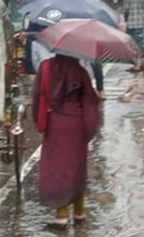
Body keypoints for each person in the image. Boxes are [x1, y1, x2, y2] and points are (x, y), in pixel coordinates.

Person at [33, 55, 100, 229]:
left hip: (56, 124)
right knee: (77, 167)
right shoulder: (81, 72)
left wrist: (38, 120)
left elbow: (36, 96)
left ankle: (61, 215)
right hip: (78, 124)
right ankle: (79, 212)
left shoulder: (45, 67)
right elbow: (91, 103)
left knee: (58, 169)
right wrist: (90, 130)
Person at [123, 0, 144, 72]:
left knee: (133, 45)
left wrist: (125, 17)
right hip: (140, 21)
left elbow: (126, 8)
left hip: (131, 22)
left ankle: (137, 64)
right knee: (141, 43)